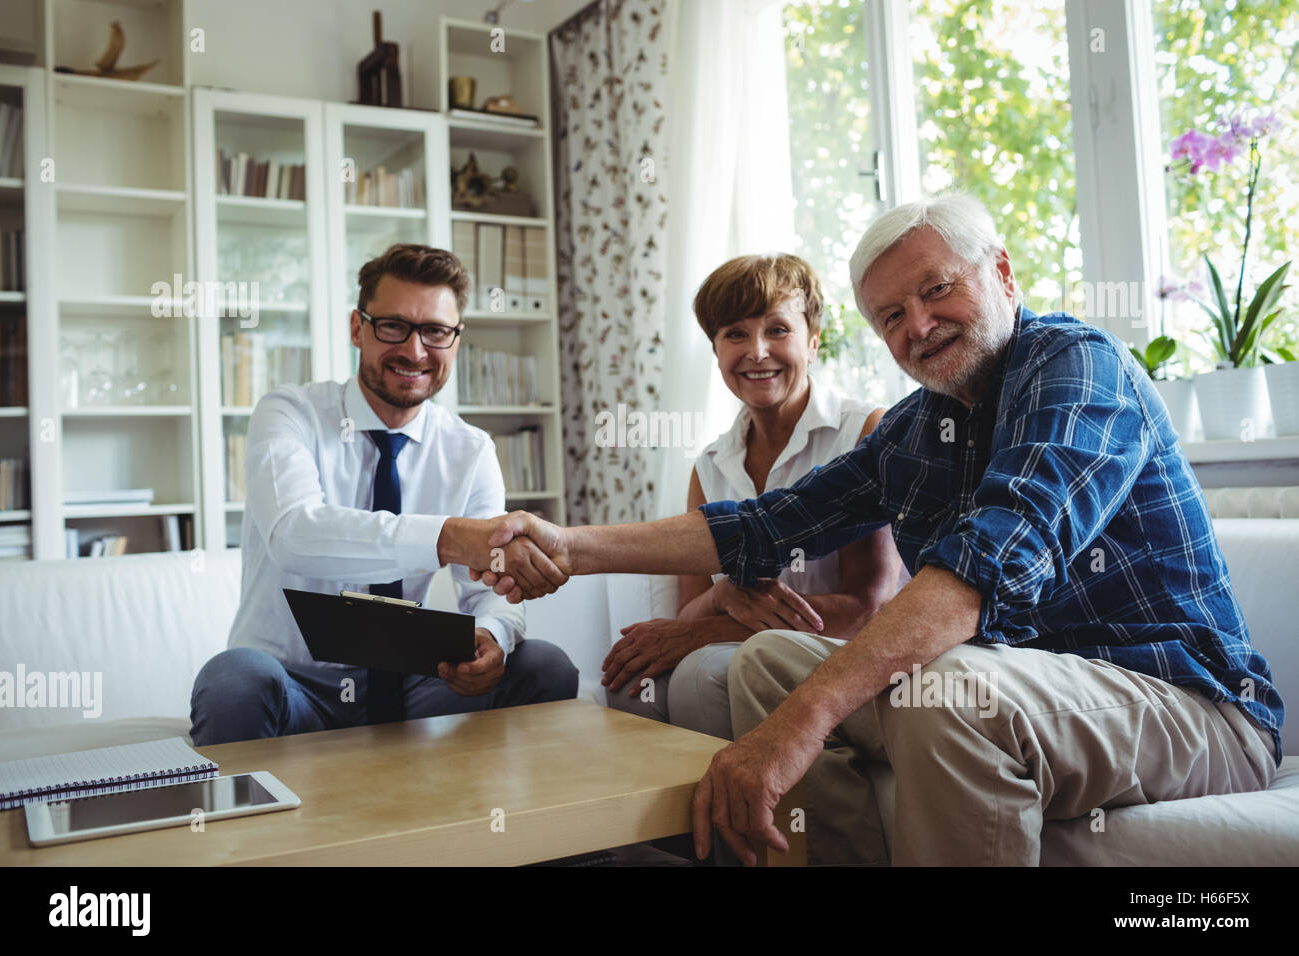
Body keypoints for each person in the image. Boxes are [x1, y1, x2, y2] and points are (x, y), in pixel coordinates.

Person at [442, 194, 1283, 866]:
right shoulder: (918, 428)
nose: (917, 326)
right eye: (890, 315)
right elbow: (765, 525)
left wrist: (796, 727)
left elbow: (981, 569)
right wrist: (570, 545)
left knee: (950, 694)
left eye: (937, 290)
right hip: (1038, 691)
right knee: (770, 660)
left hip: (1187, 703)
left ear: (1002, 274)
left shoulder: (1074, 366)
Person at [190, 244, 578, 745]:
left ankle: (493, 819)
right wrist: (450, 536)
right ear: (358, 328)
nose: (415, 351)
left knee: (543, 665)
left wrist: (491, 636)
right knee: (234, 678)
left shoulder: (470, 449)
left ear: (456, 340)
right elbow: (294, 535)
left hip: (417, 685)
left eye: (436, 332)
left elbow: (490, 591)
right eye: (393, 326)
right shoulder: (290, 413)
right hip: (293, 684)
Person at [603, 254, 901, 739]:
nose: (757, 351)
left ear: (813, 340)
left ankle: (742, 813)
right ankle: (683, 817)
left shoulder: (865, 430)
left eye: (778, 330)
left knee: (701, 678)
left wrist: (708, 631)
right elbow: (690, 607)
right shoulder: (710, 463)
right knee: (629, 687)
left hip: (843, 649)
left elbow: (866, 606)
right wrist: (723, 594)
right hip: (746, 649)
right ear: (716, 350)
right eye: (735, 334)